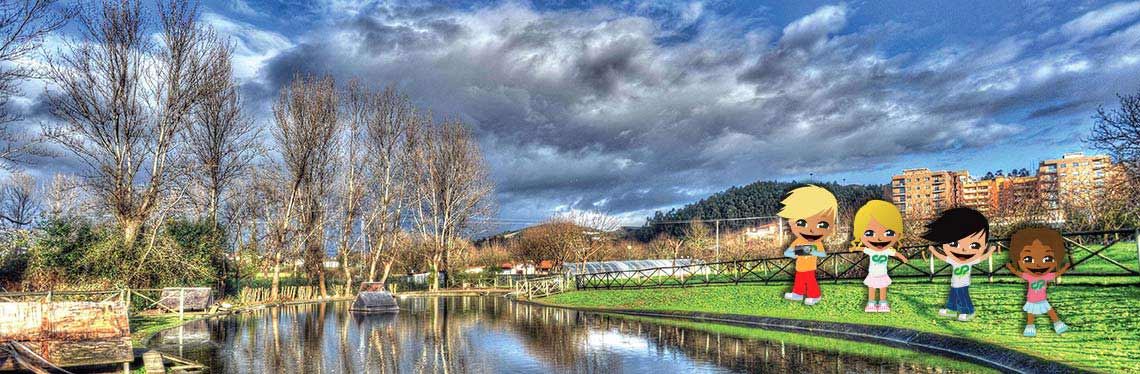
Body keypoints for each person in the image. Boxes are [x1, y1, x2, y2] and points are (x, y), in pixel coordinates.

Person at [922, 207, 997, 322]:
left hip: (963, 284)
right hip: (954, 283)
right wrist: (934, 251)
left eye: (974, 246)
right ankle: (951, 309)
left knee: (963, 297)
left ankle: (967, 311)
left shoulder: (971, 260)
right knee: (952, 296)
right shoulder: (954, 260)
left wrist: (990, 251)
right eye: (953, 243)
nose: (963, 250)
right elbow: (943, 257)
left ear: (984, 244)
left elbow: (982, 258)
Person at [1005, 227, 1072, 336]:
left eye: (1047, 259)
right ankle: (1030, 327)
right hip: (1031, 300)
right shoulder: (1029, 276)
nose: (1038, 265)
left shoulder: (1046, 276)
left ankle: (1058, 324)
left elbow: (1057, 274)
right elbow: (1018, 273)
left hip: (1042, 299)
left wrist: (1065, 268)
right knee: (1031, 314)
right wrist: (1011, 268)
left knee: (1050, 311)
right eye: (1028, 260)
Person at [778, 185, 838, 306]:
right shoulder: (798, 241)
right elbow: (787, 253)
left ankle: (815, 296)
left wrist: (811, 251)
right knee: (799, 280)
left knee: (810, 281)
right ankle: (797, 294)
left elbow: (822, 253)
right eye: (802, 223)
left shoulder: (817, 242)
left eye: (821, 225)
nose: (811, 230)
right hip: (799, 267)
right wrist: (795, 253)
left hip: (810, 267)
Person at [848, 200, 909, 312]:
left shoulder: (887, 250)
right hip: (872, 274)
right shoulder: (871, 250)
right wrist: (853, 248)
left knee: (882, 288)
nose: (880, 239)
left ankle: (882, 303)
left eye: (889, 233)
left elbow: (896, 253)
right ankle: (871, 303)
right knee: (871, 288)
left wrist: (903, 258)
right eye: (870, 233)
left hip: (882, 274)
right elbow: (862, 248)